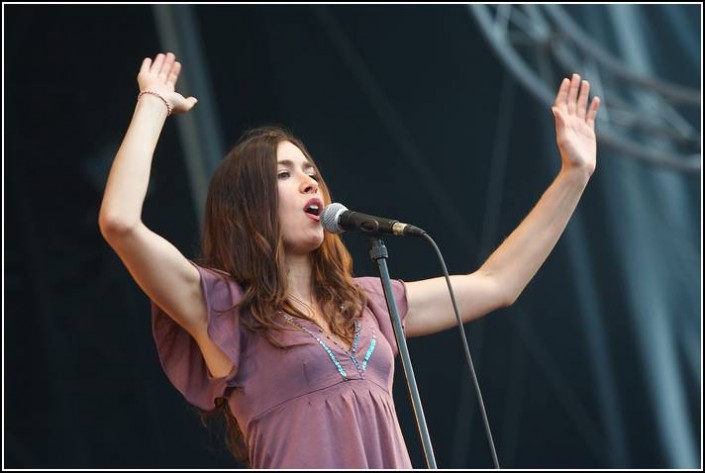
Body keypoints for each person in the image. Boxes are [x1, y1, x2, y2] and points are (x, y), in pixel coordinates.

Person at [99, 52, 600, 468]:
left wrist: (573, 175)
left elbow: (497, 283)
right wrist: (153, 104)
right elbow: (121, 222)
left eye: (311, 170)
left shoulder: (368, 301)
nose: (309, 181)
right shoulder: (223, 306)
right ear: (247, 209)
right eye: (283, 174)